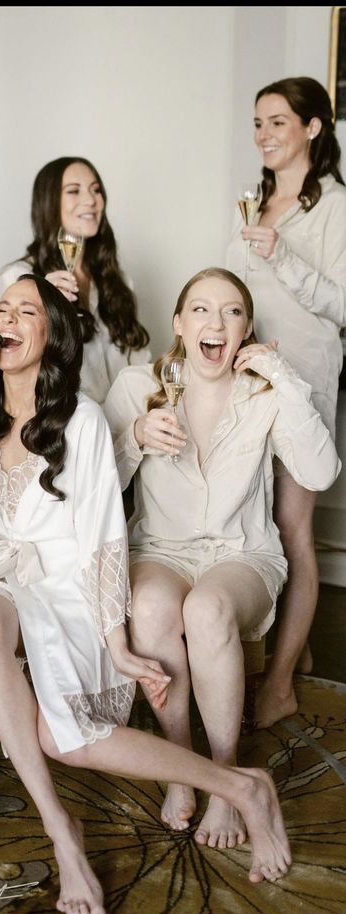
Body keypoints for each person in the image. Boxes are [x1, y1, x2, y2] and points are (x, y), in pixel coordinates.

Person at [0, 272, 293, 914]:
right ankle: (63, 831)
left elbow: (102, 537)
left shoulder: (83, 420)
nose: (7, 318)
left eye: (25, 310)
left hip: (69, 591)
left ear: (51, 333)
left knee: (63, 738)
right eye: (1, 309)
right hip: (8, 581)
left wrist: (116, 637)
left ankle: (236, 783)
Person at [103, 267, 340, 848]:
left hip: (243, 554)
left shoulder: (264, 392)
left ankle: (228, 776)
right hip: (159, 549)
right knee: (155, 607)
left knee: (207, 610)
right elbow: (92, 485)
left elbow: (321, 471)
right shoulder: (140, 385)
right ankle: (184, 769)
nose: (217, 321)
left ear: (247, 328)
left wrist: (282, 376)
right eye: (202, 310)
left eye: (232, 311)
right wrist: (135, 434)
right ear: (180, 324)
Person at [225, 76, 346, 729]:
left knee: (294, 527)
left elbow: (344, 304)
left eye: (277, 121)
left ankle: (278, 684)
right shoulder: (252, 203)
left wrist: (286, 260)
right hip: (248, 378)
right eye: (257, 122)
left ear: (313, 128)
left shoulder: (333, 208)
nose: (265, 134)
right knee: (254, 521)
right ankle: (286, 652)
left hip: (303, 379)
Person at [0, 156, 150, 406]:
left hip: (124, 428)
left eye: (96, 190)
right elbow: (4, 369)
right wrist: (45, 309)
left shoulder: (118, 281)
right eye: (74, 191)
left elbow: (140, 364)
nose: (91, 200)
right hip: (61, 423)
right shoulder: (16, 279)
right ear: (49, 203)